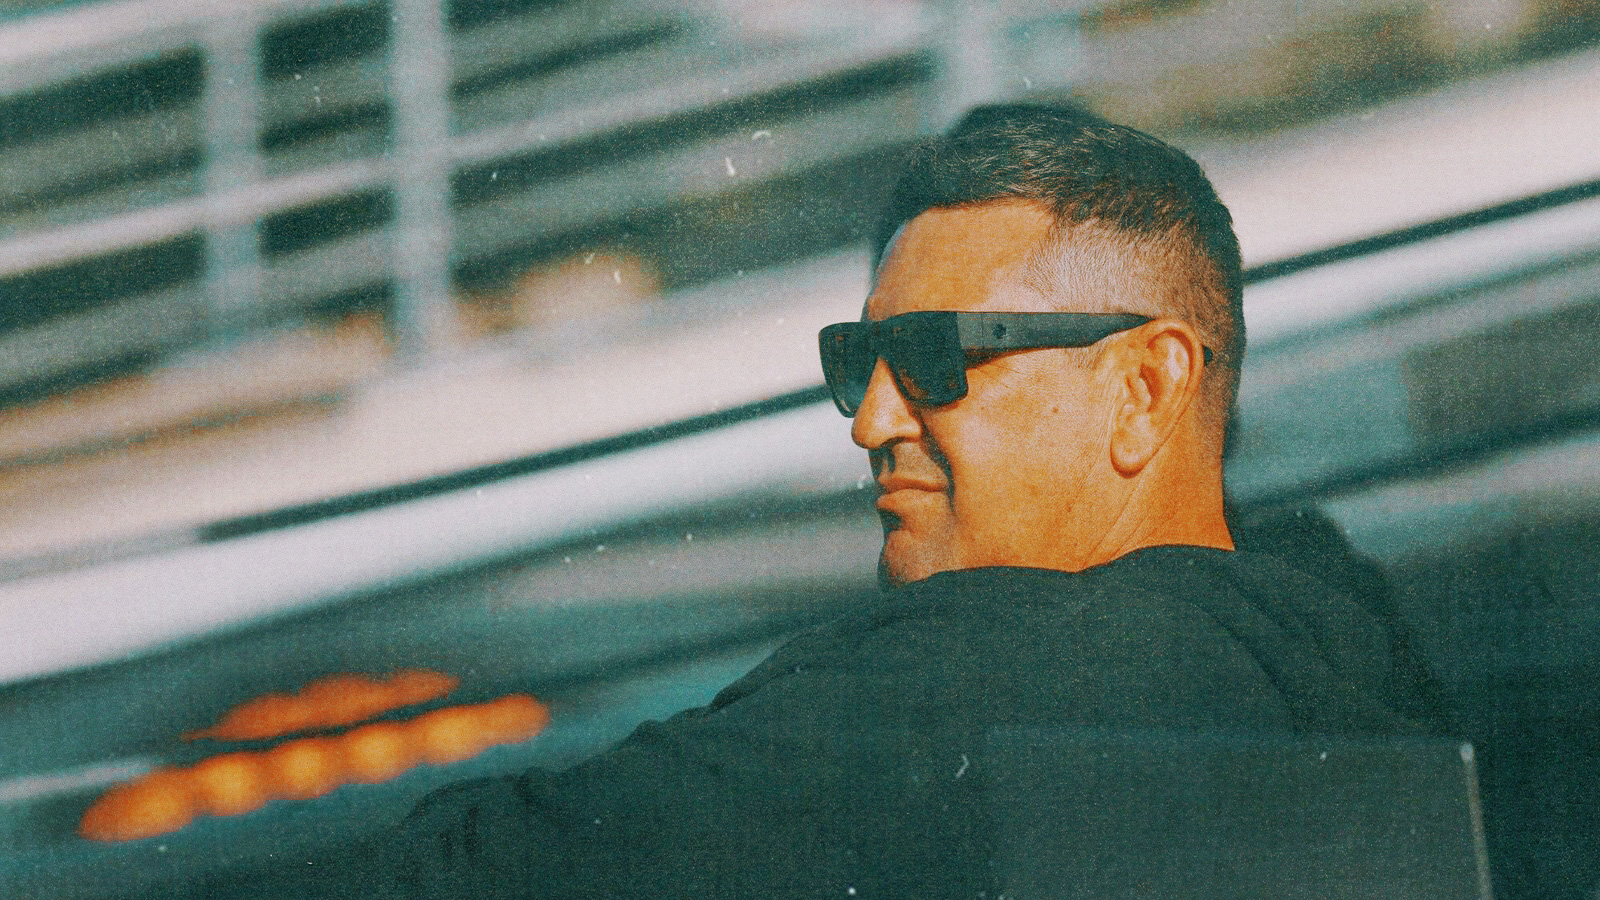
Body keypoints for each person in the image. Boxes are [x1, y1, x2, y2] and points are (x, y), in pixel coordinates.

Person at [310, 103, 1442, 900]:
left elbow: (494, 869)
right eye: (859, 361)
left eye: (938, 357)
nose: (871, 423)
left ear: (1145, 388)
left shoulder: (986, 679)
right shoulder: (1339, 641)